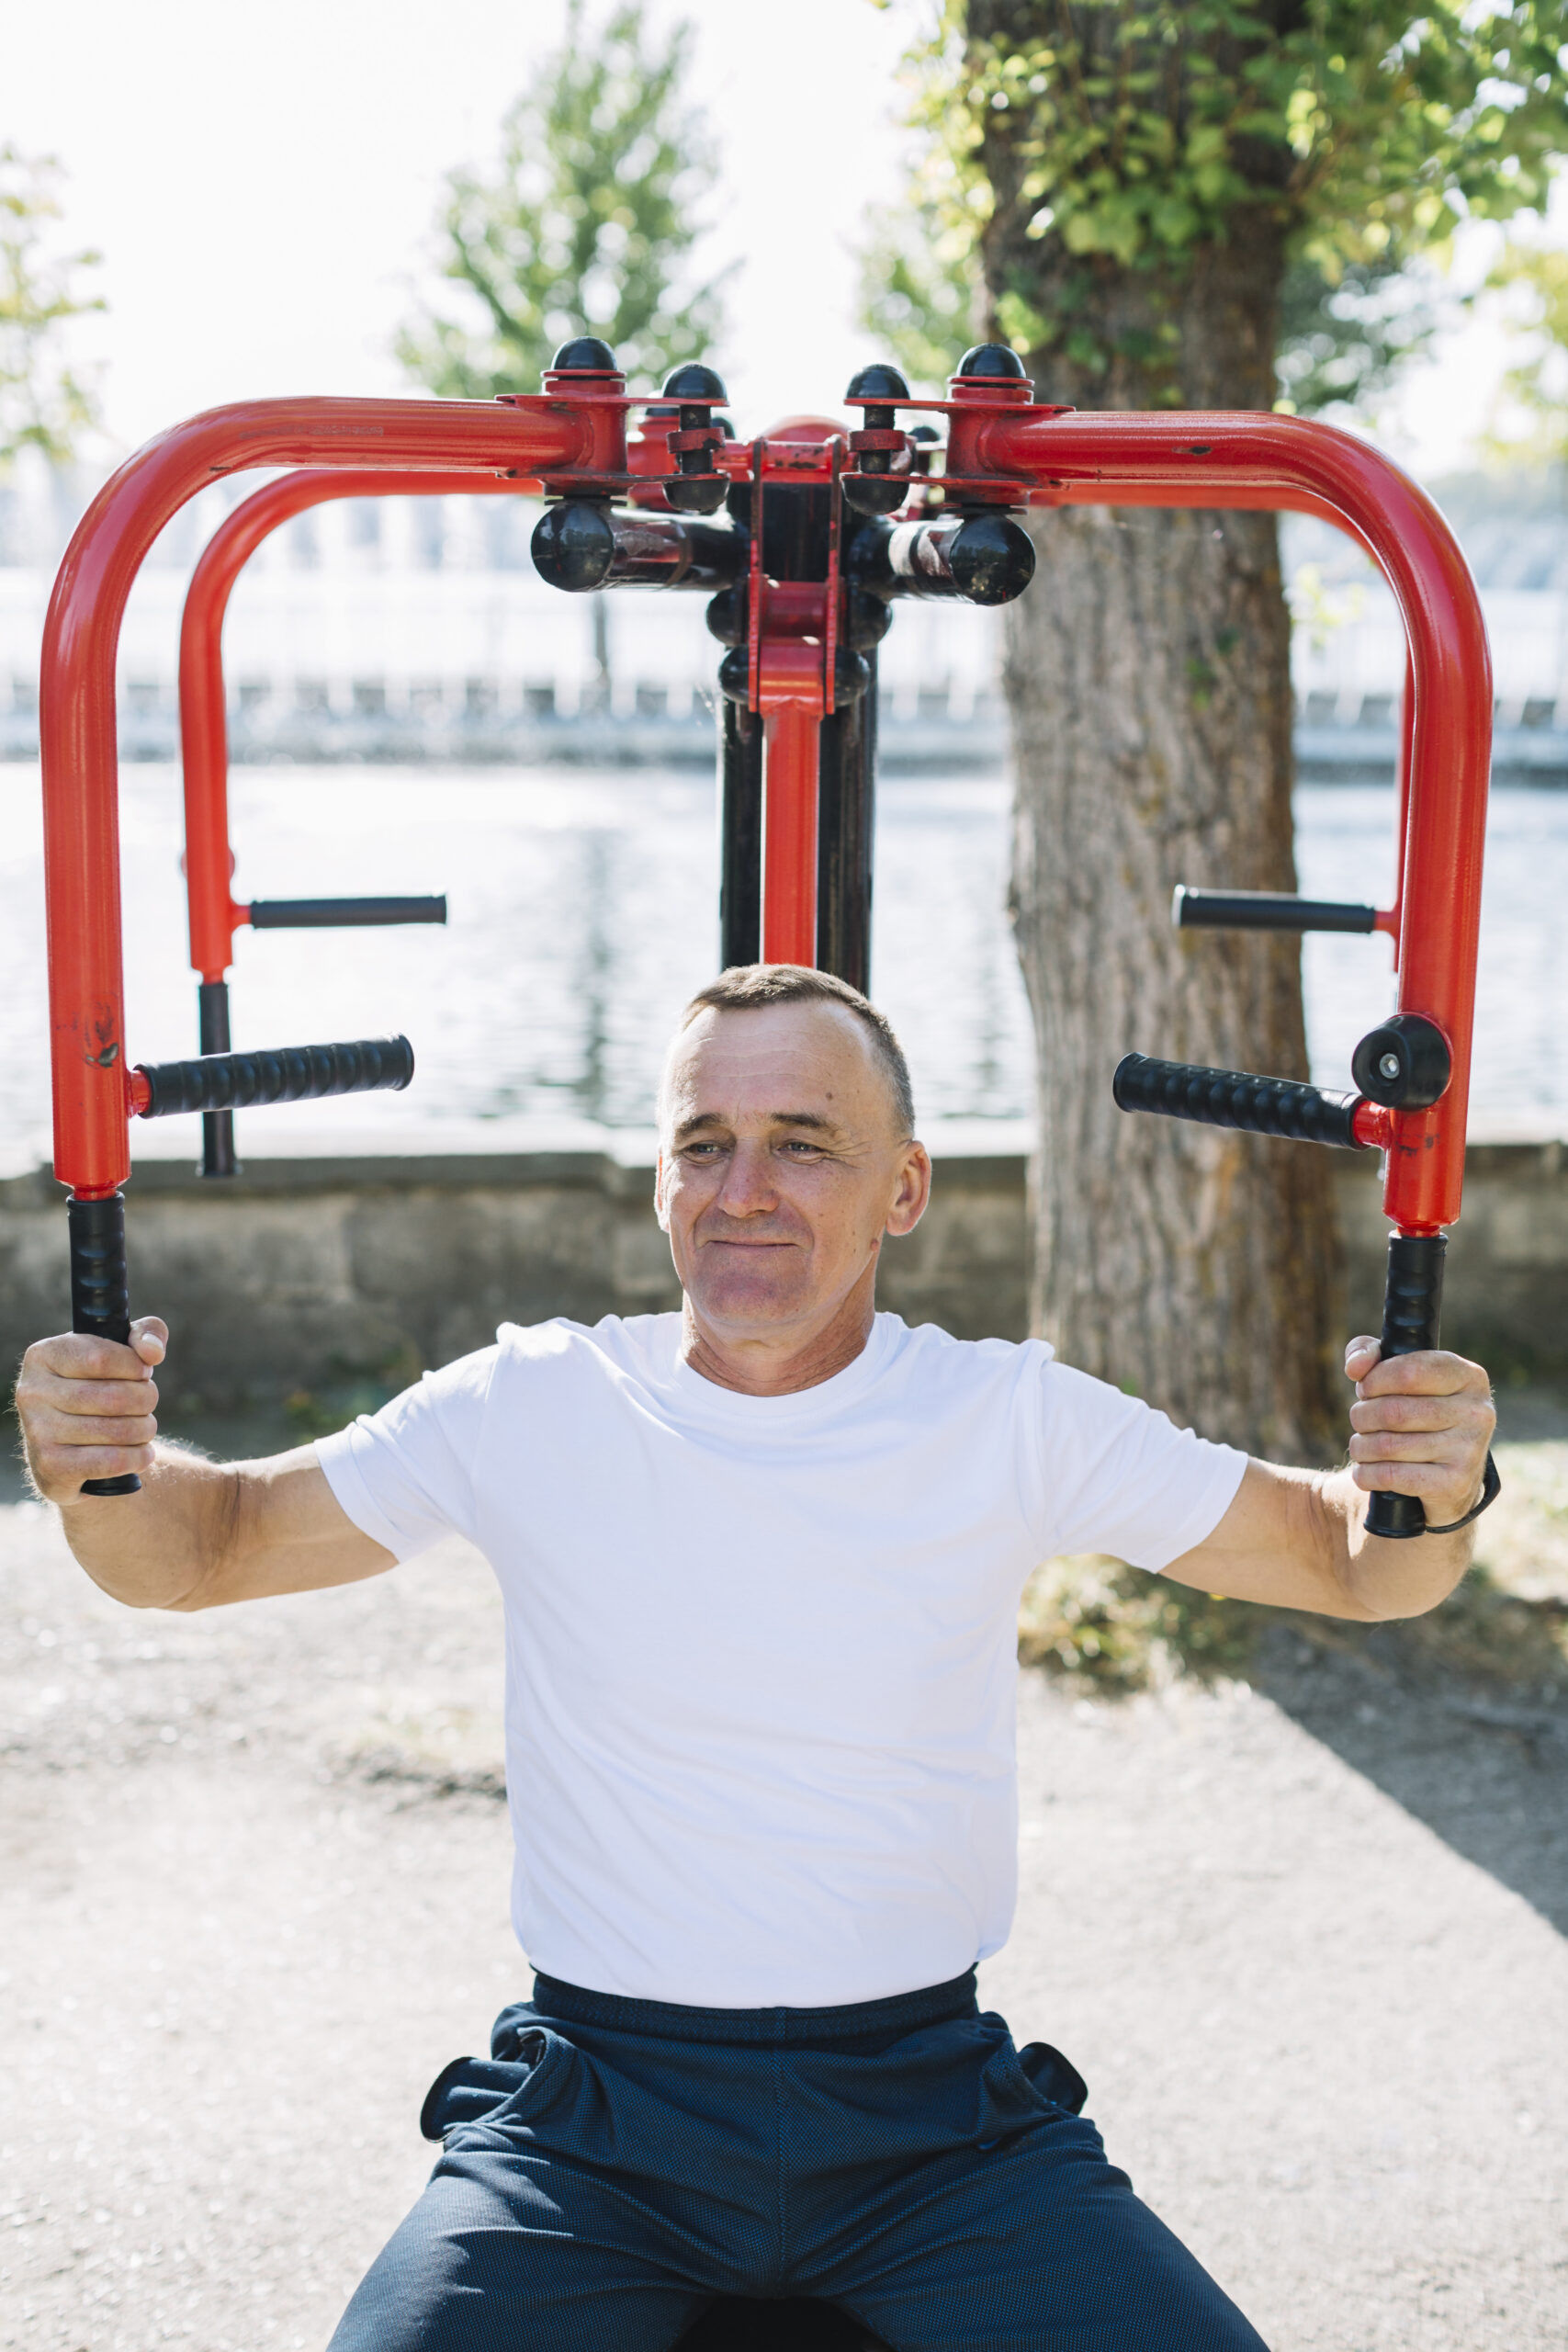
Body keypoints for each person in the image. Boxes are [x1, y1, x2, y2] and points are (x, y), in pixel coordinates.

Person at [18, 963, 1495, 2352]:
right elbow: (199, 1551)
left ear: (903, 1186)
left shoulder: (1006, 1418)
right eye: (705, 1143)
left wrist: (1431, 1478)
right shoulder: (533, 1402)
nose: (745, 1191)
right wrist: (102, 1461)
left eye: (803, 1143)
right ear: (662, 1178)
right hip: (597, 2129)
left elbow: (1358, 1564)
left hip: (931, 2128)